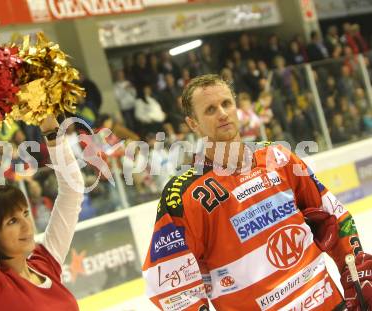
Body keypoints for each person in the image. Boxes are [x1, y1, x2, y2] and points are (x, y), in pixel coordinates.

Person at [142, 74, 371, 310]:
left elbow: (335, 216)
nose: (222, 113)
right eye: (210, 109)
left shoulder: (279, 157)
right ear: (193, 124)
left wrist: (356, 274)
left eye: (226, 104)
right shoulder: (183, 194)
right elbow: (169, 284)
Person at [0, 82, 84, 310]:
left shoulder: (45, 263)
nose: (27, 225)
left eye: (25, 213)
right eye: (12, 221)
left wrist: (49, 124)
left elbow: (73, 191)